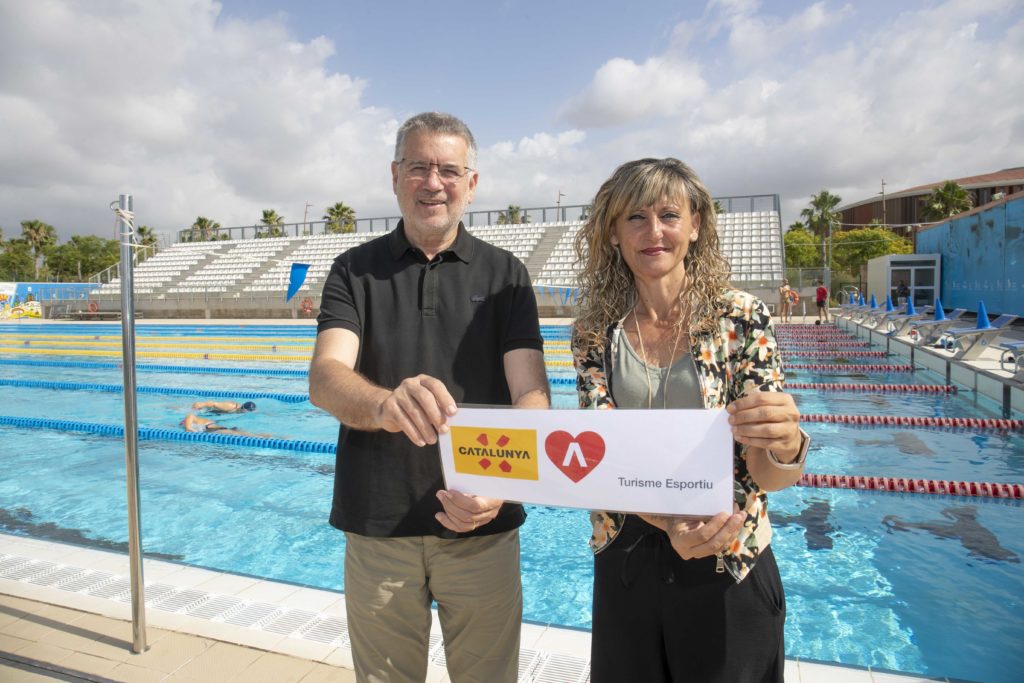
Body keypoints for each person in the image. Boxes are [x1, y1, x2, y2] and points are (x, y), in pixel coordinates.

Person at [309, 112, 550, 683]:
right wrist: (383, 404)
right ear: (395, 176)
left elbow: (532, 394)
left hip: (482, 529)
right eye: (418, 167)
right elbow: (325, 376)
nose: (432, 182)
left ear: (471, 183)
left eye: (448, 169)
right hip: (378, 529)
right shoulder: (354, 270)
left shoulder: (506, 275)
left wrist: (502, 484)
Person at [571, 158, 809, 683]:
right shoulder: (595, 329)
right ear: (613, 232)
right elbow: (600, 455)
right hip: (626, 551)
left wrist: (787, 446)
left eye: (669, 215)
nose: (653, 231)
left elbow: (768, 474)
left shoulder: (740, 317)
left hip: (728, 556)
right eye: (635, 217)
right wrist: (666, 520)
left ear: (696, 226)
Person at [181, 413, 255, 436]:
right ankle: (265, 436)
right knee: (247, 434)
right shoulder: (191, 422)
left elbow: (190, 416)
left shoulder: (189, 418)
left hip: (213, 429)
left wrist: (188, 428)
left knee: (248, 436)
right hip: (213, 428)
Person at [191, 400, 256, 414]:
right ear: (244, 408)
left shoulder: (241, 409)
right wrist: (199, 406)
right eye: (250, 411)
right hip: (203, 410)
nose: (250, 412)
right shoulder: (230, 406)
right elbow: (212, 403)